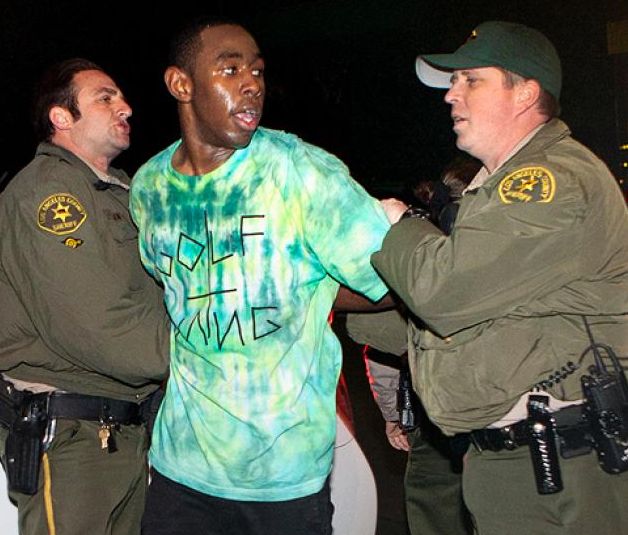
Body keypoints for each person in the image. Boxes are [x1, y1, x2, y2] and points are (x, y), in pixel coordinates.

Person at [129, 18, 390, 535]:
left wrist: (311, 289)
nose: (253, 83)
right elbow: (173, 291)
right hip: (181, 469)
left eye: (258, 71)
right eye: (230, 69)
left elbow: (391, 278)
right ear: (182, 85)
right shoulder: (149, 189)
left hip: (285, 478)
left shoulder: (301, 171)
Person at [372, 20, 628, 534]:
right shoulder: (495, 190)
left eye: (471, 80)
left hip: (561, 467)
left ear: (525, 93)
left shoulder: (548, 182)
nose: (452, 95)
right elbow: (482, 321)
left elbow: (442, 291)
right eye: (453, 82)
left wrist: (399, 227)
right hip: (522, 460)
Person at [0, 58, 169, 535]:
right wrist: (201, 351)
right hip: (73, 437)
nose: (126, 107)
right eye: (105, 97)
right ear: (61, 116)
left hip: (122, 431)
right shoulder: (51, 193)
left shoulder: (120, 192)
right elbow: (95, 324)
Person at [347, 157, 480, 535]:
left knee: (433, 508)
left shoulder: (418, 256)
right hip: (487, 416)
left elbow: (380, 351)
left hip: (438, 419)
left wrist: (392, 414)